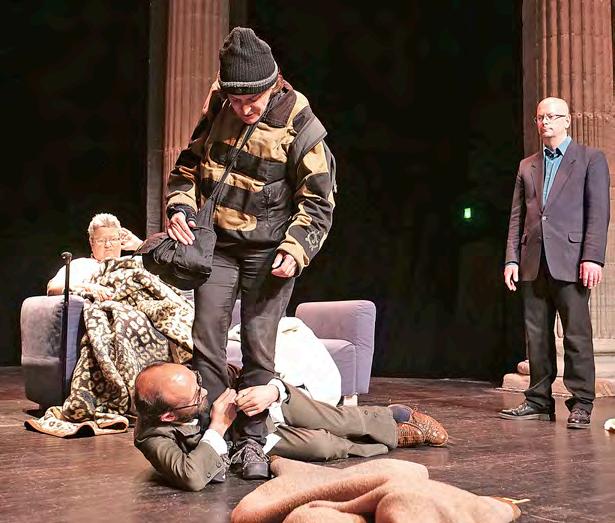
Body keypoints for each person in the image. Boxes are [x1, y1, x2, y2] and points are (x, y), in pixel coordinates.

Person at [165, 27, 336, 478]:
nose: (244, 109)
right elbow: (186, 167)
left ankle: (251, 443)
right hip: (219, 247)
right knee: (207, 340)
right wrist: (180, 206)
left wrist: (296, 249)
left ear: (273, 83)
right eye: (236, 99)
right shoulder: (219, 106)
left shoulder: (299, 120)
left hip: (269, 251)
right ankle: (213, 436)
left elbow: (319, 201)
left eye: (252, 99)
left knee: (260, 347)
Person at [133, 362, 448, 491]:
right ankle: (385, 439)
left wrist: (270, 392)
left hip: (260, 410)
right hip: (246, 444)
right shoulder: (152, 436)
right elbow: (190, 476)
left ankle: (389, 421)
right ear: (169, 416)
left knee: (332, 419)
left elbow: (243, 372)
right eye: (195, 396)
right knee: (324, 447)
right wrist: (218, 426)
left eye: (197, 381)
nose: (204, 390)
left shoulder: (195, 378)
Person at [501, 97, 610, 429]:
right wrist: (512, 259)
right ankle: (538, 400)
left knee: (576, 334)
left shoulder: (590, 159)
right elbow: (517, 217)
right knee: (536, 335)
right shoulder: (527, 165)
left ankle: (582, 403)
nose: (545, 122)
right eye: (540, 117)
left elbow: (598, 212)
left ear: (567, 121)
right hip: (533, 260)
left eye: (552, 116)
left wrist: (592, 257)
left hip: (572, 259)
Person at [47, 212, 143, 299]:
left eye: (113, 239)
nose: (108, 245)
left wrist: (139, 245)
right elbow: (52, 288)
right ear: (91, 242)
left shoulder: (132, 263)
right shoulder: (81, 265)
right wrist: (88, 287)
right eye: (101, 240)